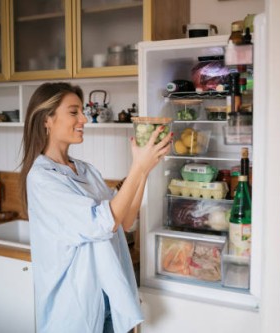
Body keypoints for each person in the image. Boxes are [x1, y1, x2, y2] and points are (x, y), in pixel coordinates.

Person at [20, 82, 172, 333]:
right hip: (76, 307)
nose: (84, 119)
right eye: (73, 112)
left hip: (110, 299)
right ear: (47, 119)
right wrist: (138, 168)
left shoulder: (85, 170)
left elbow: (124, 220)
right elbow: (103, 222)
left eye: (82, 111)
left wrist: (144, 169)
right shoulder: (42, 178)